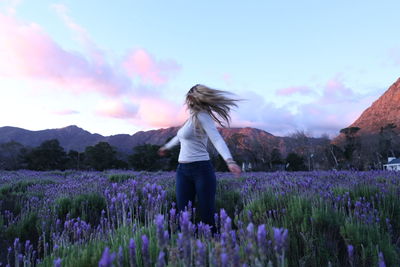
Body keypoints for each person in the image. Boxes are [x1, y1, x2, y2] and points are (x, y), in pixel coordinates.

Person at [158, 84, 241, 233]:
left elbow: (217, 139)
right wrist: (166, 147)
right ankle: (185, 249)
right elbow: (178, 138)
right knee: (183, 214)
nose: (187, 102)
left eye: (189, 99)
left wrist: (229, 160)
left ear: (194, 99)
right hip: (182, 171)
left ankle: (213, 248)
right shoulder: (190, 120)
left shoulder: (203, 117)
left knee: (207, 215)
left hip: (201, 170)